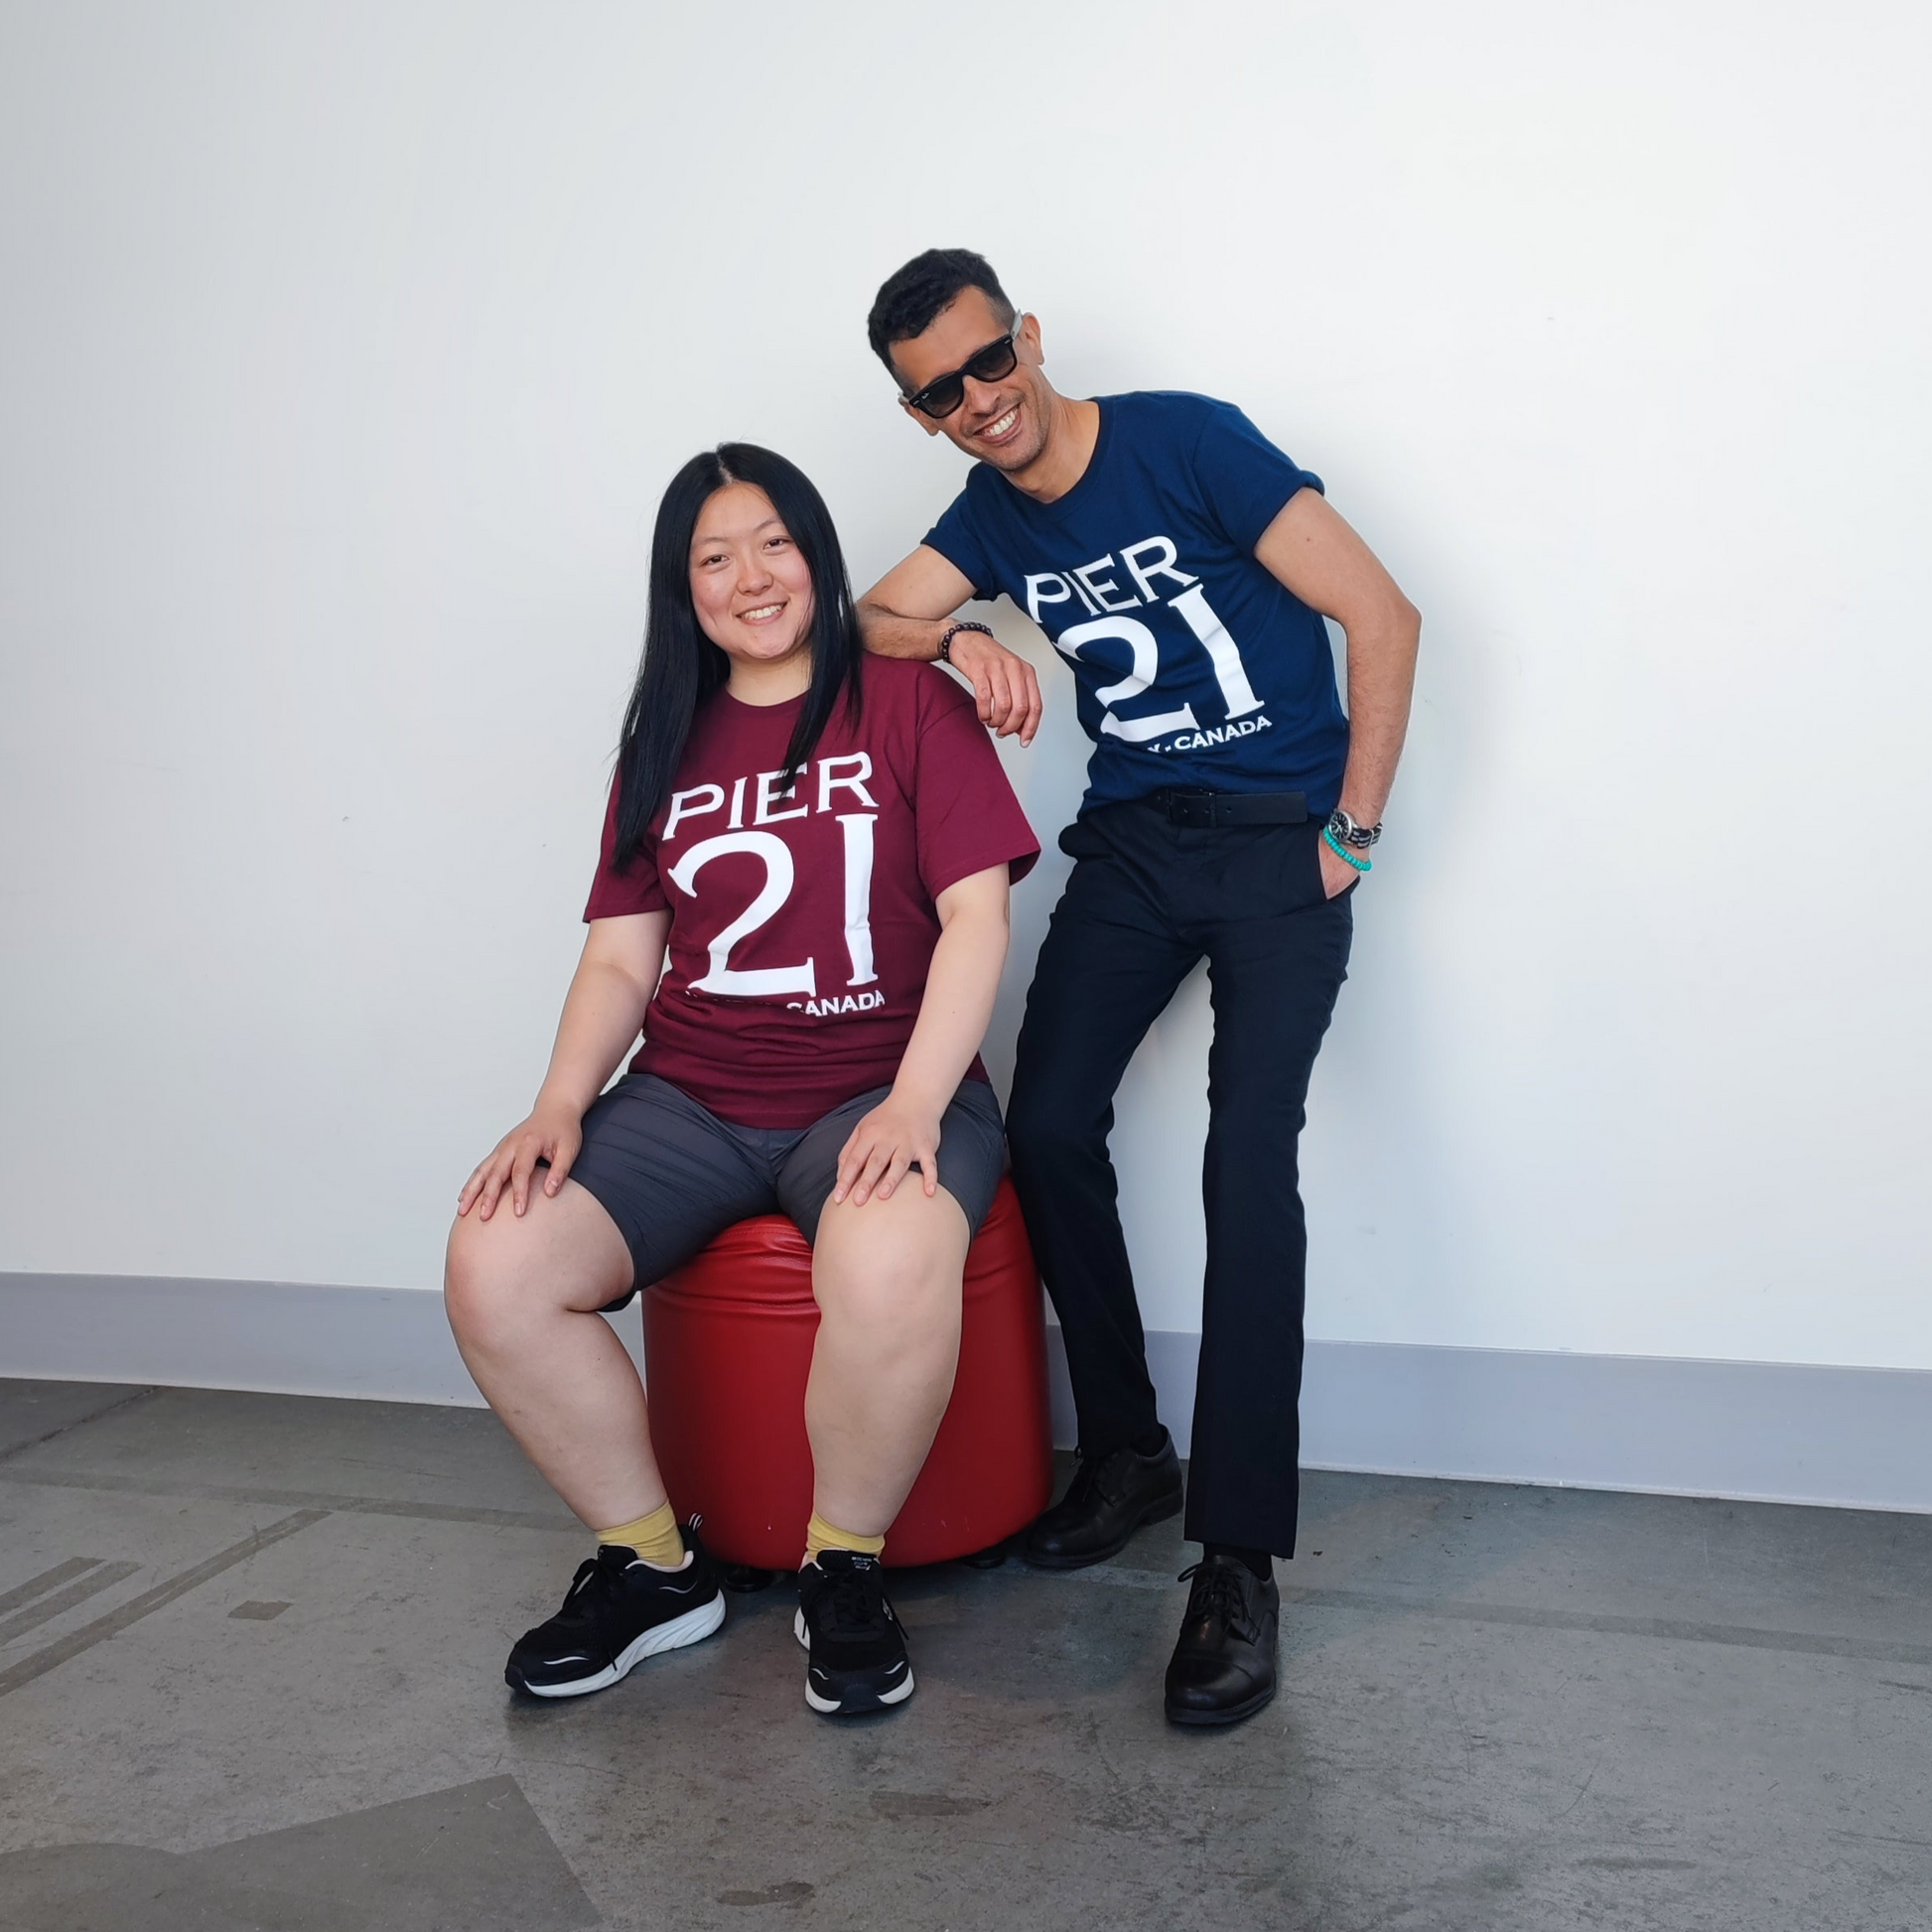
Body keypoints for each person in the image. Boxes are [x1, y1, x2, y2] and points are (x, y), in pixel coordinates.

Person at [857, 249, 1421, 1727]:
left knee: (1247, 1164)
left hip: (1278, 845)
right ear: (919, 415)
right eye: (941, 393)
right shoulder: (984, 509)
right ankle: (1126, 1452)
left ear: (1028, 338)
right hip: (1135, 839)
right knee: (1043, 1124)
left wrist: (1349, 835)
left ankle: (1234, 1558)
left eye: (989, 363)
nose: (979, 401)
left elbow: (1383, 614)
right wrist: (964, 631)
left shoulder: (1184, 438)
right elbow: (872, 619)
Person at [444, 442, 1038, 1719]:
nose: (748, 576)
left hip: (877, 1083)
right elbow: (619, 956)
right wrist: (558, 1103)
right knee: (495, 1260)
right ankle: (655, 1565)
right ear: (683, 590)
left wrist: (915, 1104)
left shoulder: (906, 699)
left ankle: (842, 1568)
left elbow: (976, 922)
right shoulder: (663, 734)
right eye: (712, 557)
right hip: (692, 1096)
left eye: (771, 541)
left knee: (886, 1255)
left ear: (817, 554)